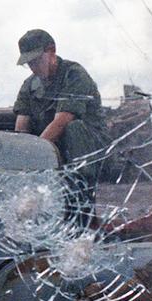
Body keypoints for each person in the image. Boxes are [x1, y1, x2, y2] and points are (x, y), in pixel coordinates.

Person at [13, 29, 108, 208]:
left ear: (52, 51)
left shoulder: (74, 74)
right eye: (29, 63)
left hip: (92, 150)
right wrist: (21, 156)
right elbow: (21, 127)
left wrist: (35, 154)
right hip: (54, 148)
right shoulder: (29, 85)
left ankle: (82, 199)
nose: (34, 67)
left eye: (37, 60)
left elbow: (62, 121)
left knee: (74, 128)